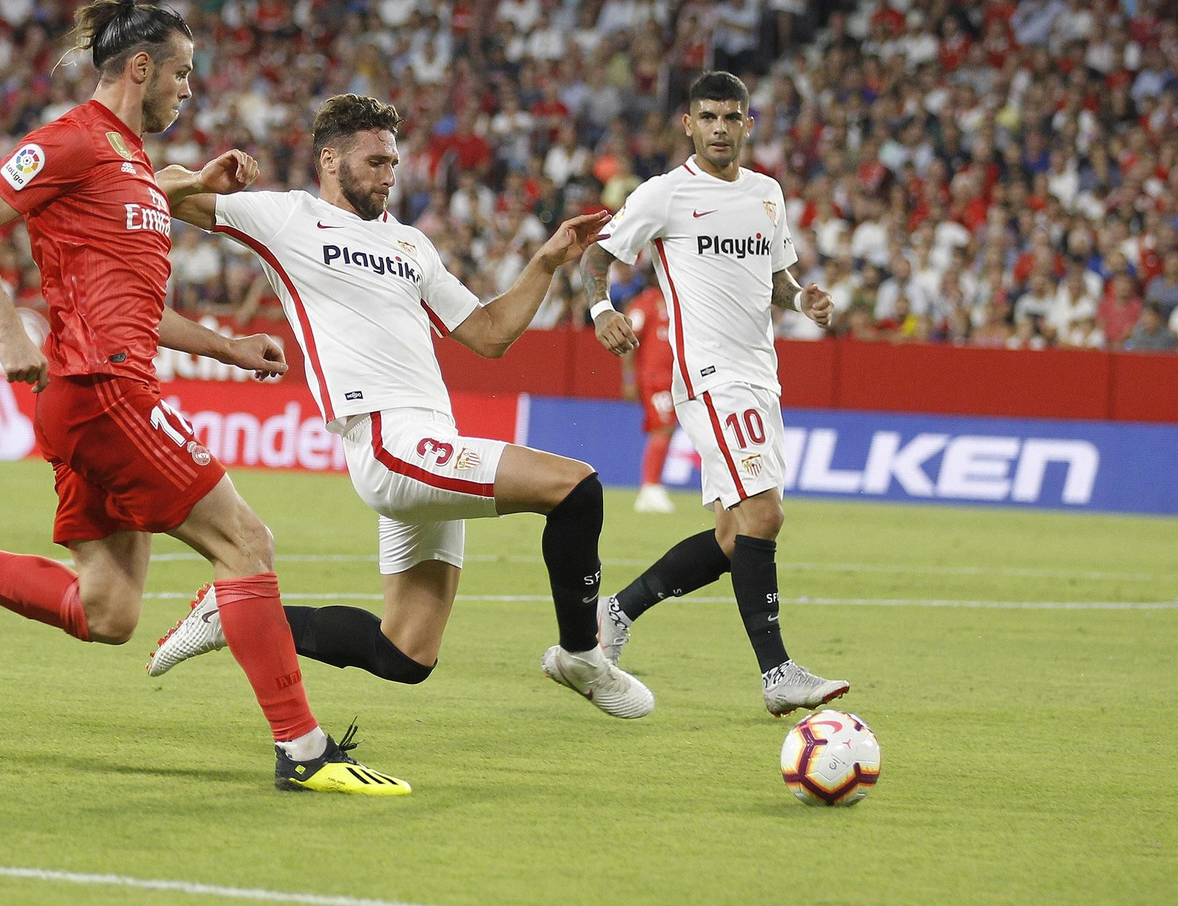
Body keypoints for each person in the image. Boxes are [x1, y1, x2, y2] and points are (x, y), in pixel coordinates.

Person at [0, 0, 407, 795]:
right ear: (139, 67)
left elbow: (139, 258)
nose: (189, 89)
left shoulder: (133, 163)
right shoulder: (71, 141)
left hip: (89, 398)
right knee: (247, 544)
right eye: (182, 74)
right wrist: (7, 328)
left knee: (107, 612)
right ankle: (304, 748)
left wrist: (224, 343)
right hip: (103, 391)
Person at [147, 93, 654, 720]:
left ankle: (235, 612)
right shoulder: (285, 218)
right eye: (376, 160)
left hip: (433, 437)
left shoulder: (413, 245)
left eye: (394, 161)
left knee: (406, 655)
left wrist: (546, 262)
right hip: (387, 439)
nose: (390, 173)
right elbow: (148, 187)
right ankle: (582, 654)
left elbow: (490, 333)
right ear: (329, 159)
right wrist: (196, 179)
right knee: (577, 488)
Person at [579, 71, 850, 717]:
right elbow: (598, 255)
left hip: (761, 375)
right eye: (709, 117)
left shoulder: (767, 195)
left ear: (749, 124)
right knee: (766, 515)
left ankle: (617, 612)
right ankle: (777, 671)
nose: (721, 129)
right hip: (709, 377)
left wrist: (801, 297)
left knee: (734, 535)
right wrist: (600, 310)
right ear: (689, 124)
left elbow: (776, 279)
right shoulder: (666, 194)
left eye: (733, 117)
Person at [622, 281, 678, 514]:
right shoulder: (646, 302)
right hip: (655, 377)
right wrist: (628, 379)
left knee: (666, 428)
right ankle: (650, 488)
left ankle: (652, 486)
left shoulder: (679, 299)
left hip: (675, 378)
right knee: (662, 429)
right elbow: (628, 339)